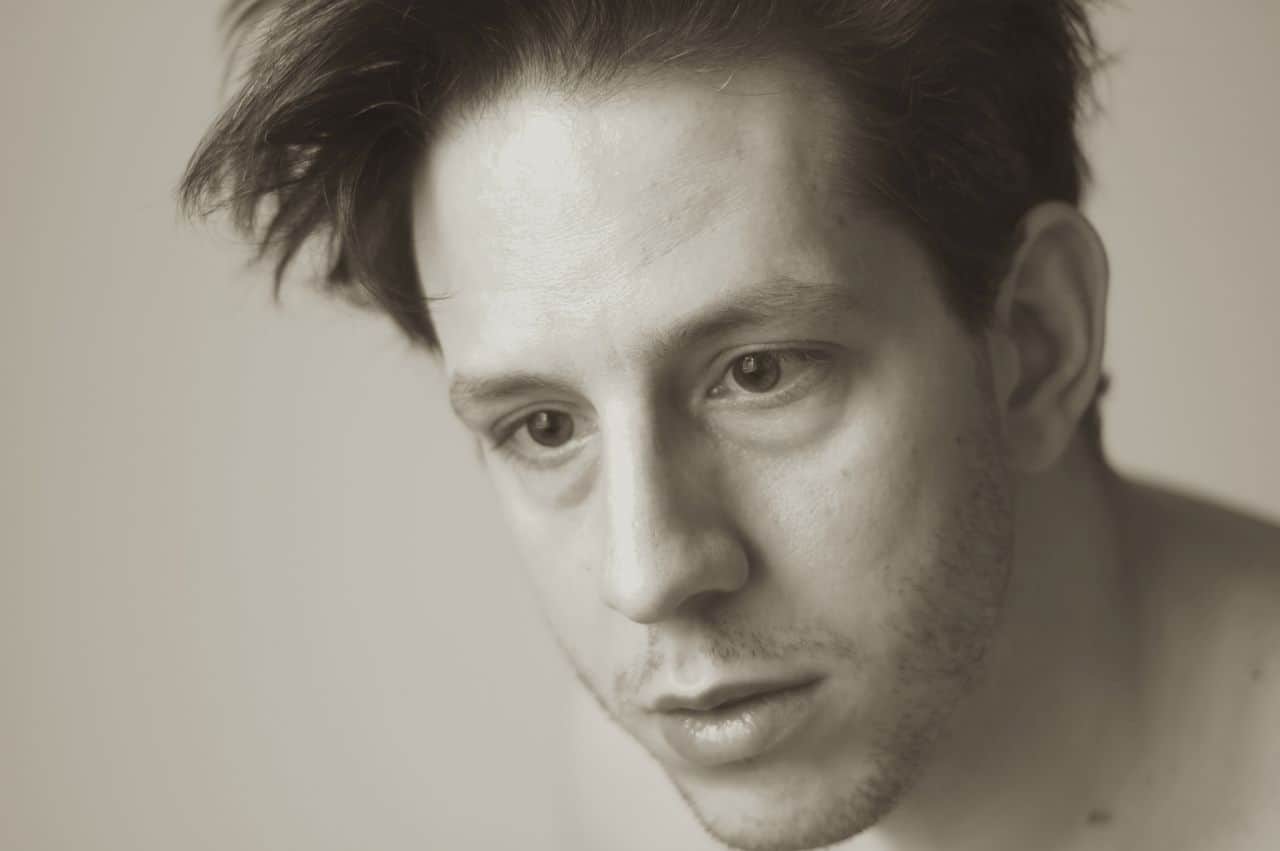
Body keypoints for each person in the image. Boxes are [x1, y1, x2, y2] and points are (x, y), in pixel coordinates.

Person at [180, 1, 1280, 849]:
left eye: (758, 373)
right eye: (545, 426)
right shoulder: (652, 775)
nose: (650, 574)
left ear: (1036, 340)